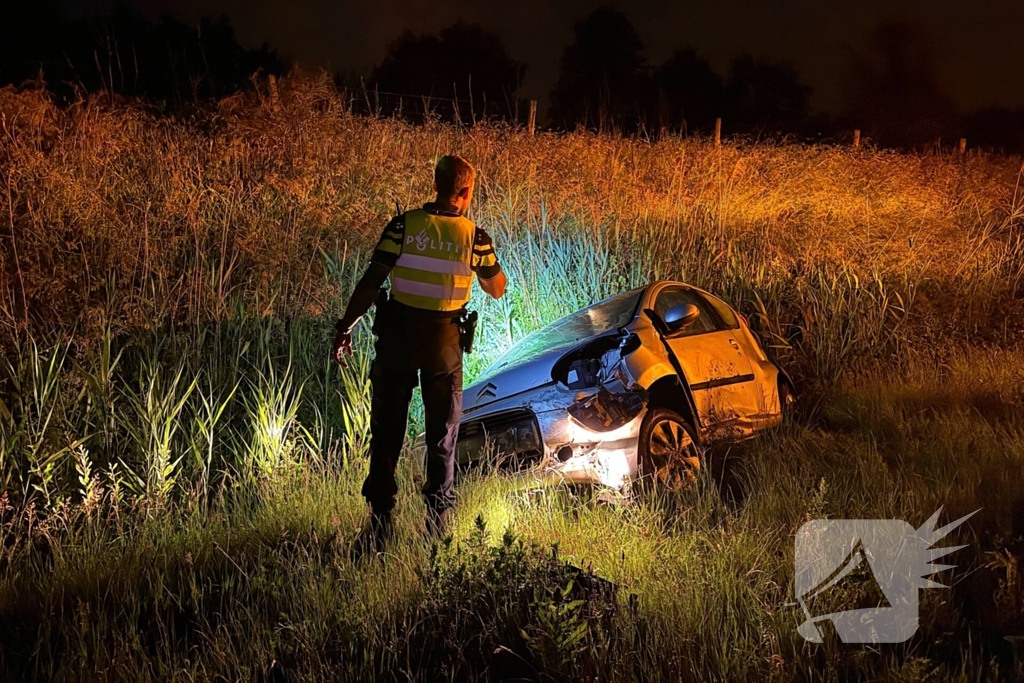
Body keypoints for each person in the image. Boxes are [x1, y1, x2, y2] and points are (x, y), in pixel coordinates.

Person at [332, 155, 507, 546]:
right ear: (465, 192)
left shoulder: (402, 225)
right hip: (443, 347)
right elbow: (497, 289)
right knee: (442, 435)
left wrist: (345, 328)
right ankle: (437, 530)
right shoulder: (475, 237)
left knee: (387, 432)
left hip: (397, 339)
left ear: (436, 185)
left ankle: (379, 525)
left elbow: (371, 282)